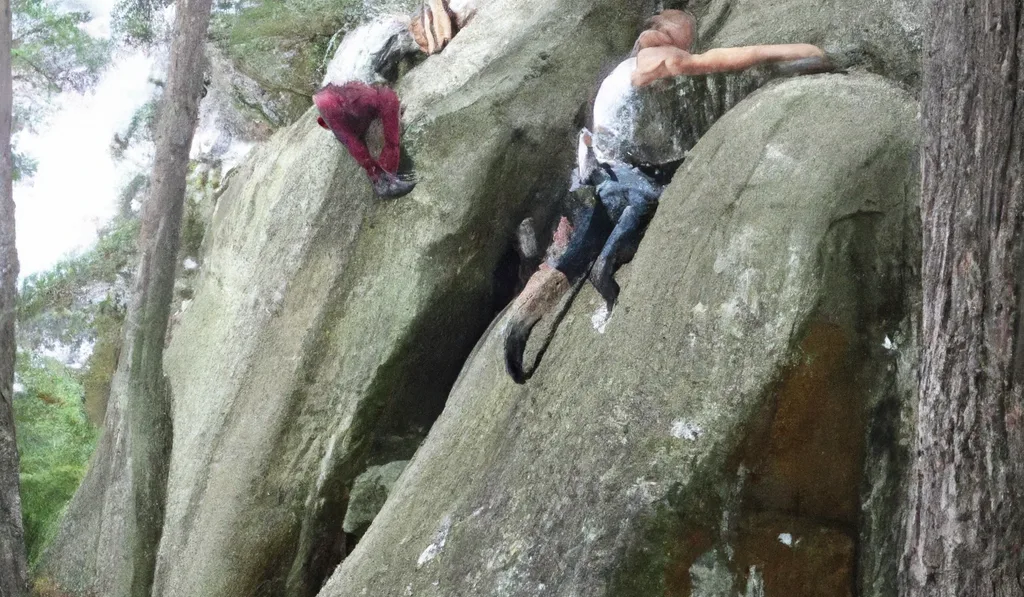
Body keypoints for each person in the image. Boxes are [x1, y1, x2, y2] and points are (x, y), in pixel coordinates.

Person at [502, 7, 834, 382]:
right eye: (682, 35)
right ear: (655, 30)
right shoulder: (647, 58)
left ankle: (528, 319)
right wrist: (792, 51)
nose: (686, 45)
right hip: (620, 175)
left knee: (587, 241)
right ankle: (603, 265)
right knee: (644, 202)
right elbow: (710, 62)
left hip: (611, 171)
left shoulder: (624, 72)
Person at [314, 1, 466, 198]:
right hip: (343, 94)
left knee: (354, 132)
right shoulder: (391, 35)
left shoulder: (378, 37)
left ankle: (381, 176)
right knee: (383, 109)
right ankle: (384, 176)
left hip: (334, 96)